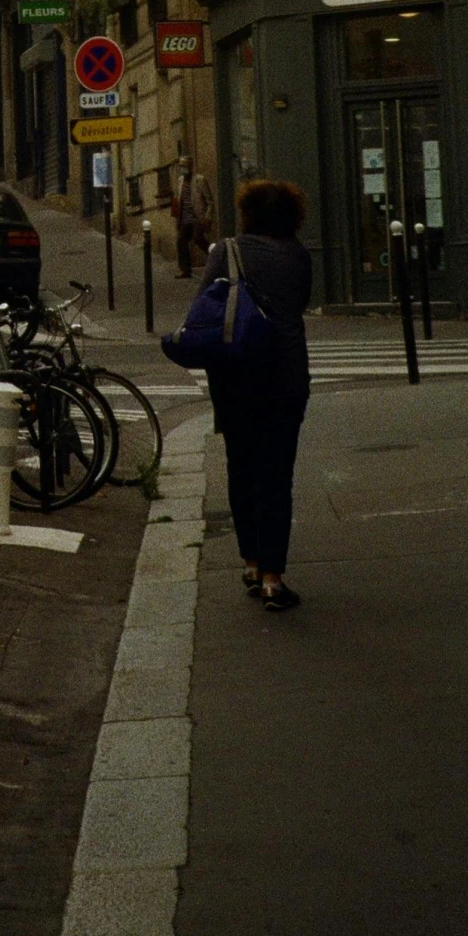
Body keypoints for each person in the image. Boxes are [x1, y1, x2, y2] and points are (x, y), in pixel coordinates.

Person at [199, 178, 312, 613]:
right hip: (284, 376)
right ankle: (272, 579)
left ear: (246, 213)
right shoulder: (298, 256)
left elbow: (203, 305)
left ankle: (250, 562)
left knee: (241, 469)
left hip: (234, 378)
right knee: (276, 477)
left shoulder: (227, 251)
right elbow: (299, 303)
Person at [172, 156, 215, 278]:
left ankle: (216, 256)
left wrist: (208, 217)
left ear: (190, 167)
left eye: (185, 166)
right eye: (181, 167)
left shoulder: (199, 180)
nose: (183, 169)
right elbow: (179, 199)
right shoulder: (180, 181)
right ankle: (185, 269)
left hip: (197, 217)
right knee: (181, 241)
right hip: (185, 218)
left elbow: (210, 201)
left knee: (198, 239)